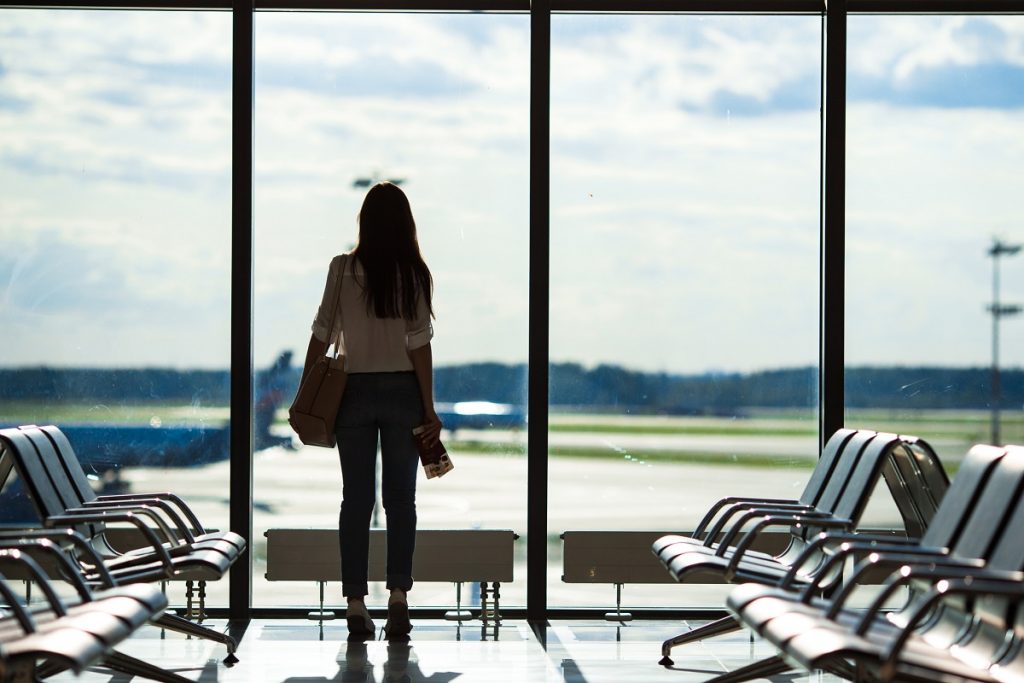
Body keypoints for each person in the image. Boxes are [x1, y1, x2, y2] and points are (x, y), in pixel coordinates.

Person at [301, 181, 442, 639]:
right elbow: (419, 347)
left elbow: (322, 333)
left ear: (364, 222)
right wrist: (428, 405)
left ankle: (356, 604)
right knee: (401, 500)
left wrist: (307, 390)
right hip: (402, 391)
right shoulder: (414, 274)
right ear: (406, 225)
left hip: (353, 394)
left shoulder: (342, 269)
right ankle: (398, 596)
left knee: (355, 500)